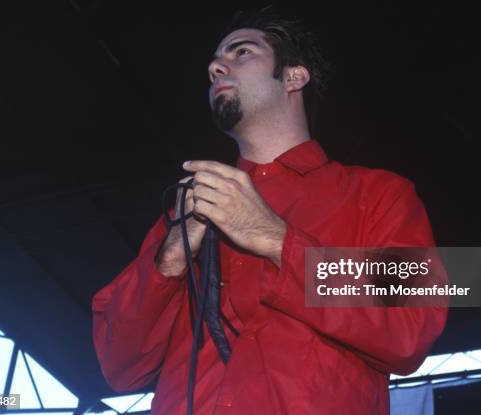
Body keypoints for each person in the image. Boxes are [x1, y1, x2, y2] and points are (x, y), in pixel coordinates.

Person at [92, 9, 448, 414]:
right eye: (214, 62)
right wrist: (171, 257)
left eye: (241, 52)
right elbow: (118, 366)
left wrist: (277, 241)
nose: (216, 66)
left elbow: (411, 327)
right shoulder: (188, 209)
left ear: (294, 77)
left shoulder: (379, 195)